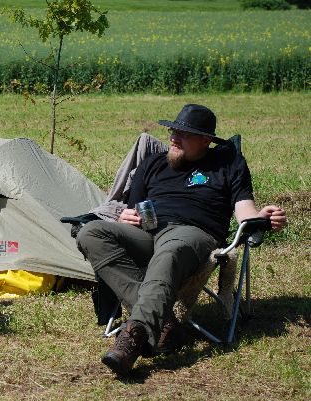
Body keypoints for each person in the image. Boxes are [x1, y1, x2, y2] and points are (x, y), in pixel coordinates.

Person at [76, 104, 287, 376]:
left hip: (194, 234)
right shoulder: (152, 164)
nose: (174, 137)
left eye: (183, 134)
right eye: (173, 131)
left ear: (206, 140)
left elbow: (245, 211)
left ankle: (134, 336)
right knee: (90, 233)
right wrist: (123, 217)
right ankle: (166, 324)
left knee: (170, 252)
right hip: (147, 233)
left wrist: (263, 217)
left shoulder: (227, 164)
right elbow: (132, 207)